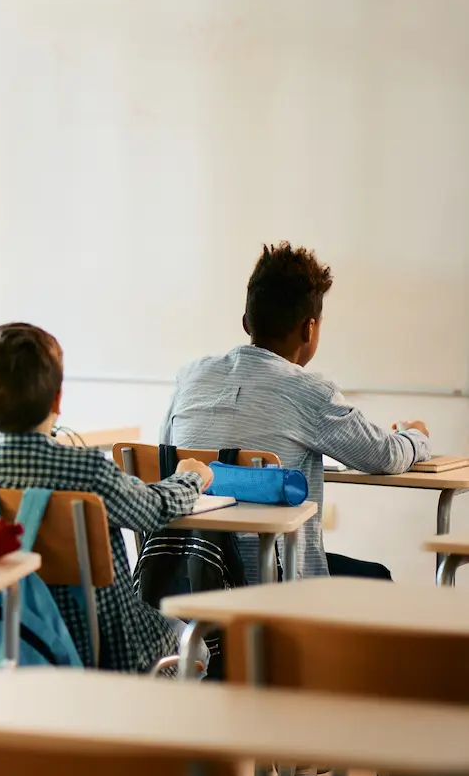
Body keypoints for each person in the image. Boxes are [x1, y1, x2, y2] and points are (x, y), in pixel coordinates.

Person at [0, 323, 213, 673]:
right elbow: (154, 509)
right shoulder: (86, 471)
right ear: (58, 399)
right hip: (100, 648)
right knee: (194, 641)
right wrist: (191, 476)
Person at [162, 243, 431, 584]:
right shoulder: (310, 393)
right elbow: (385, 455)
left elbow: (166, 457)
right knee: (376, 578)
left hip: (185, 579)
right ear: (309, 329)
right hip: (269, 584)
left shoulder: (190, 377)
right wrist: (415, 435)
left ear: (246, 322)